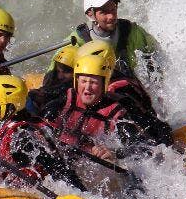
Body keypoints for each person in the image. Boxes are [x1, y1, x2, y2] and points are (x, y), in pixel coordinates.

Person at [44, 41, 172, 159]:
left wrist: (115, 154)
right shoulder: (66, 97)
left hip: (145, 128)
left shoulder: (120, 104)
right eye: (83, 80)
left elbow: (141, 144)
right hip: (68, 151)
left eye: (93, 82)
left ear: (104, 84)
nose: (87, 87)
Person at [0, 74, 83, 189]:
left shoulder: (21, 137)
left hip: (64, 189)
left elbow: (44, 174)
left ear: (3, 108)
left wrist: (0, 180)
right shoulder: (14, 128)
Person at [66, 0, 160, 82]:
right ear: (90, 14)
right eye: (104, 12)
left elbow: (156, 58)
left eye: (113, 9)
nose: (111, 16)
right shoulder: (78, 39)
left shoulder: (132, 31)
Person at [26, 44, 76, 116]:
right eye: (58, 71)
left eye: (65, 72)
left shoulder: (74, 87)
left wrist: (45, 93)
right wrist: (39, 93)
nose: (60, 76)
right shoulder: (52, 77)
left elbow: (62, 90)